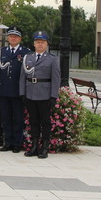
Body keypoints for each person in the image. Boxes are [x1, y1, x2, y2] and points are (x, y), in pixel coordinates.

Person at [20, 30, 61, 159]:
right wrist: (23, 93)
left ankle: (45, 147)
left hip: (44, 94)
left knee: (45, 122)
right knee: (33, 121)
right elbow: (23, 77)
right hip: (31, 93)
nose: (40, 44)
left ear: (47, 44)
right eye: (38, 42)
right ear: (34, 44)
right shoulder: (28, 57)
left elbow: (56, 78)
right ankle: (34, 146)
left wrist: (53, 96)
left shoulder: (52, 59)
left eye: (42, 42)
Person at [0, 27, 28, 153]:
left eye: (16, 36)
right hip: (4, 90)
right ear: (8, 38)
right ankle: (7, 142)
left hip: (18, 91)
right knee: (6, 118)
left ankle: (17, 143)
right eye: (11, 36)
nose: (13, 38)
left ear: (20, 38)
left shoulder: (25, 52)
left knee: (18, 119)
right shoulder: (2, 52)